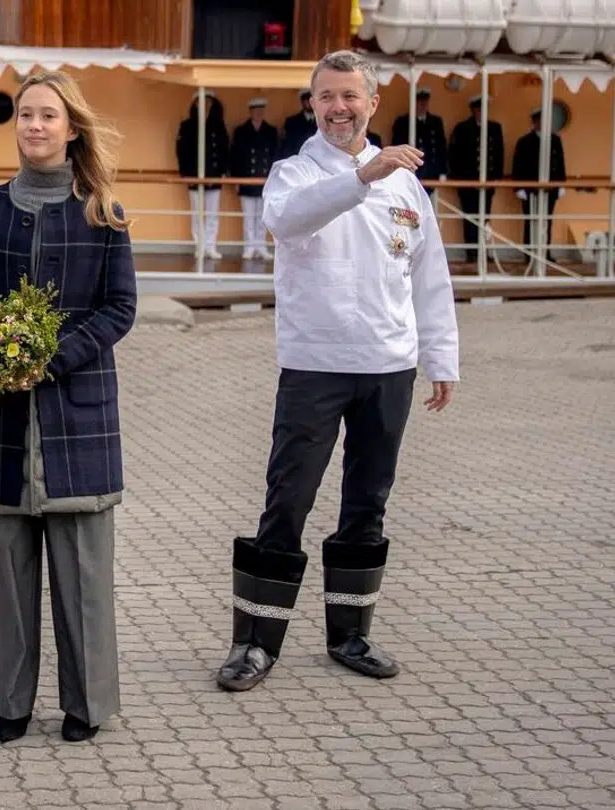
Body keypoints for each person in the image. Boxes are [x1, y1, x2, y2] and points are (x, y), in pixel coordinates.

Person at [215, 50, 459, 693]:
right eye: (326, 97)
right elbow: (286, 222)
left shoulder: (408, 186)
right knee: (287, 501)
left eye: (350, 96)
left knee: (367, 504)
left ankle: (351, 634)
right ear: (312, 104)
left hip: (389, 365)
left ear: (372, 103)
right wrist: (362, 176)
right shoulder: (293, 174)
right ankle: (254, 643)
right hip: (314, 366)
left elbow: (429, 276)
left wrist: (441, 357)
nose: (339, 108)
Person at [0, 69, 136, 744]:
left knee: (83, 573)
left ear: (71, 126)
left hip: (78, 411)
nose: (35, 126)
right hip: (0, 416)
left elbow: (121, 308)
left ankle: (86, 704)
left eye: (48, 115)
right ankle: (10, 700)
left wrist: (50, 357)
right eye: (26, 114)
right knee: (7, 571)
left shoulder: (102, 209)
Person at [448, 95, 504, 263]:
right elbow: (455, 154)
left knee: (485, 217)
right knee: (470, 218)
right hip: (468, 182)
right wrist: (459, 179)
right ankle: (471, 252)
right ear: (473, 110)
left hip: (487, 183)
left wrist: (495, 179)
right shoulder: (462, 129)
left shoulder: (494, 128)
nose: (481, 112)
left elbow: (499, 154)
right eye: (478, 109)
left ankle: (483, 251)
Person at [177, 91, 228, 260]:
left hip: (214, 175)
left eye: (208, 102)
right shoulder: (187, 125)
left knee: (212, 214)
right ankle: (199, 246)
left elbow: (224, 149)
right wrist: (185, 173)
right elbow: (181, 151)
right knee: (197, 214)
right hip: (194, 176)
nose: (205, 105)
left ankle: (210, 246)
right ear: (196, 104)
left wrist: (222, 171)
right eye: (202, 101)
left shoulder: (218, 125)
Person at [511, 108, 566, 262]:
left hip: (550, 189)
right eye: (539, 120)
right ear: (534, 122)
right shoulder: (524, 141)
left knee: (547, 221)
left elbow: (560, 163)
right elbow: (518, 165)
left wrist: (561, 184)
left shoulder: (555, 140)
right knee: (530, 221)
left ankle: (545, 252)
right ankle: (529, 254)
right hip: (530, 189)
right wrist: (519, 187)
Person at [230, 97, 279, 263]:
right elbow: (235, 157)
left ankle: (261, 246)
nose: (259, 113)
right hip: (246, 180)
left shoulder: (271, 131)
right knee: (248, 217)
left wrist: (275, 179)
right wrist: (235, 180)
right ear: (250, 111)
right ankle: (249, 247)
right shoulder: (241, 131)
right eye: (256, 110)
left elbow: (275, 157)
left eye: (261, 110)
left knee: (263, 217)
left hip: (265, 181)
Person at [391, 87, 447, 195]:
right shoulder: (403, 122)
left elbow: (441, 147)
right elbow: (397, 146)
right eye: (419, 101)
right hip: (409, 170)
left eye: (425, 102)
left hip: (431, 172)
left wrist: (442, 171)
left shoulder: (435, 122)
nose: (422, 105)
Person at [279, 89, 317, 159]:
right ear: (302, 102)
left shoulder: (322, 121)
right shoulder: (291, 122)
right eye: (306, 100)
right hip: (297, 163)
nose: (309, 103)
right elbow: (287, 147)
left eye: (311, 100)